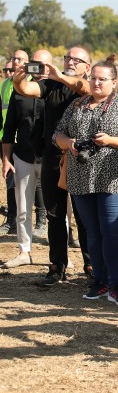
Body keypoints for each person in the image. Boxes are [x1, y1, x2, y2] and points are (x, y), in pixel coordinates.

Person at [53, 56, 118, 305]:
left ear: (113, 82)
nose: (96, 83)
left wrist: (111, 141)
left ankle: (117, 285)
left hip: (113, 181)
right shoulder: (77, 105)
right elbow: (57, 134)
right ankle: (99, 281)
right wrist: (69, 143)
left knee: (113, 233)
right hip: (81, 179)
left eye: (102, 79)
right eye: (93, 78)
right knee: (92, 234)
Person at [13, 46, 94, 286]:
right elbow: (28, 88)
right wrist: (19, 81)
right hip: (53, 157)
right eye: (67, 57)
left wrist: (60, 76)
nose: (69, 61)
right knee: (55, 214)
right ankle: (57, 266)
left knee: (83, 215)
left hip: (82, 159)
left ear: (86, 67)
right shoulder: (52, 85)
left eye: (75, 59)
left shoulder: (92, 87)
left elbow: (84, 88)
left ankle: (91, 264)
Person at [0, 49, 50, 269]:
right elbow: (9, 127)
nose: (37, 68)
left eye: (41, 64)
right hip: (23, 155)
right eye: (34, 64)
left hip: (51, 157)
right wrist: (6, 158)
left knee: (58, 209)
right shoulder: (18, 91)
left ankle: (60, 256)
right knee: (22, 206)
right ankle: (24, 251)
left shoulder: (57, 90)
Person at [0, 50, 29, 234]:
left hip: (27, 140)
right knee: (10, 179)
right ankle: (11, 219)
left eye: (19, 59)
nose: (15, 62)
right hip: (6, 138)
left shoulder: (33, 83)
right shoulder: (4, 85)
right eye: (13, 59)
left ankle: (41, 221)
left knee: (36, 184)